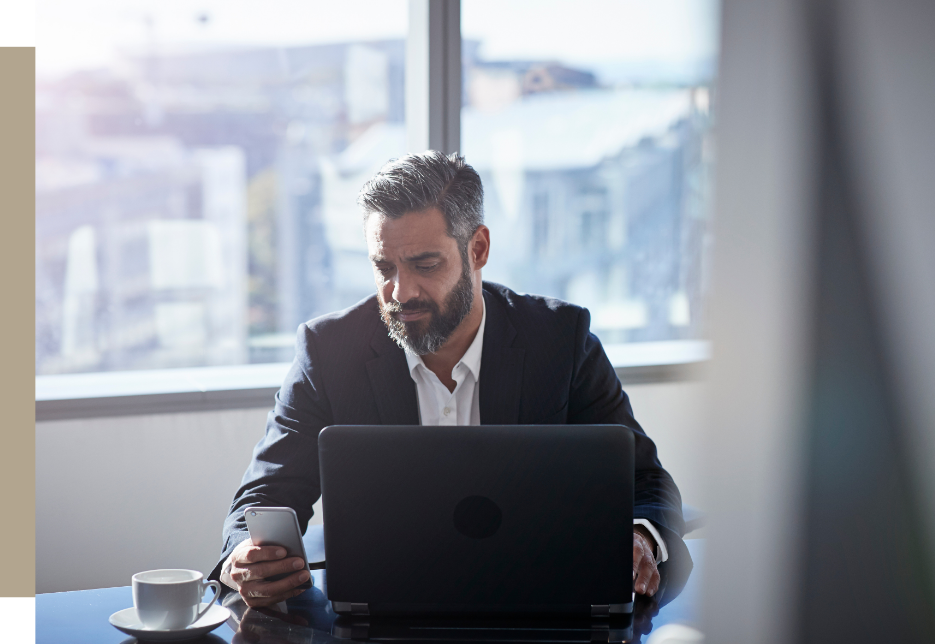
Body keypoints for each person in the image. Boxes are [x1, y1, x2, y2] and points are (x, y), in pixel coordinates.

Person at [210, 151, 690, 608]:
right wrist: (246, 557)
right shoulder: (328, 350)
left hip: (537, 608)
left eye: (424, 264)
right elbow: (264, 497)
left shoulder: (562, 341)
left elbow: (647, 484)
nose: (401, 291)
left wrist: (637, 534)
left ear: (477, 249)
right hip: (378, 617)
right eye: (384, 267)